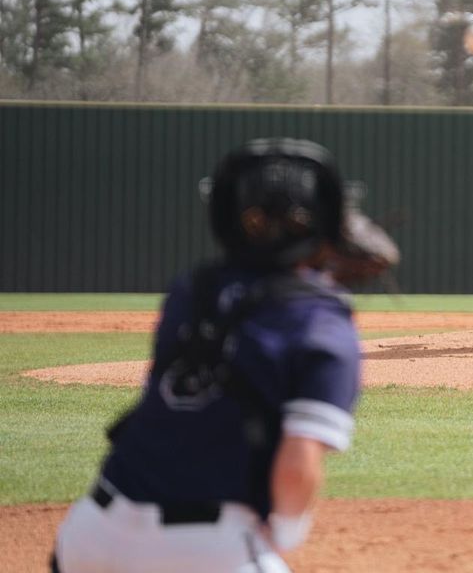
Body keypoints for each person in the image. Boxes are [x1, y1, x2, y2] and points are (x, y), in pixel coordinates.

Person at [51, 138, 398, 573]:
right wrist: (286, 533)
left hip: (90, 534)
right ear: (325, 226)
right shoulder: (323, 322)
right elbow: (297, 466)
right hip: (212, 550)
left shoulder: (191, 291)